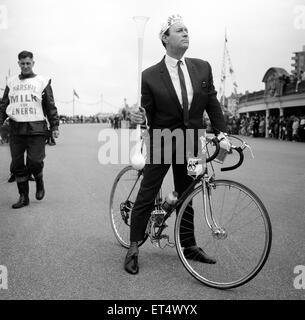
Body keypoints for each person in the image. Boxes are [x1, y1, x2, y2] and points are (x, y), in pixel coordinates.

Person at [124, 15, 229, 274]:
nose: (185, 33)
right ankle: (134, 246)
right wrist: (138, 116)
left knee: (187, 194)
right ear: (165, 38)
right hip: (162, 141)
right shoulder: (149, 76)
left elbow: (212, 103)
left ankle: (188, 245)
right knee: (147, 195)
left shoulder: (202, 67)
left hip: (192, 142)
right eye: (179, 30)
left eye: (187, 30)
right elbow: (145, 113)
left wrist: (222, 133)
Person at [0, 50, 59, 209]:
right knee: (18, 164)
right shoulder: (11, 82)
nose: (25, 66)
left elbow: (50, 106)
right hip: (16, 129)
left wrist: (54, 126)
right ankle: (23, 196)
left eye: (28, 63)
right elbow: (3, 105)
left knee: (34, 162)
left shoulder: (42, 81)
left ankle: (39, 179)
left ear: (33, 63)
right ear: (18, 64)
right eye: (22, 63)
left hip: (36, 129)